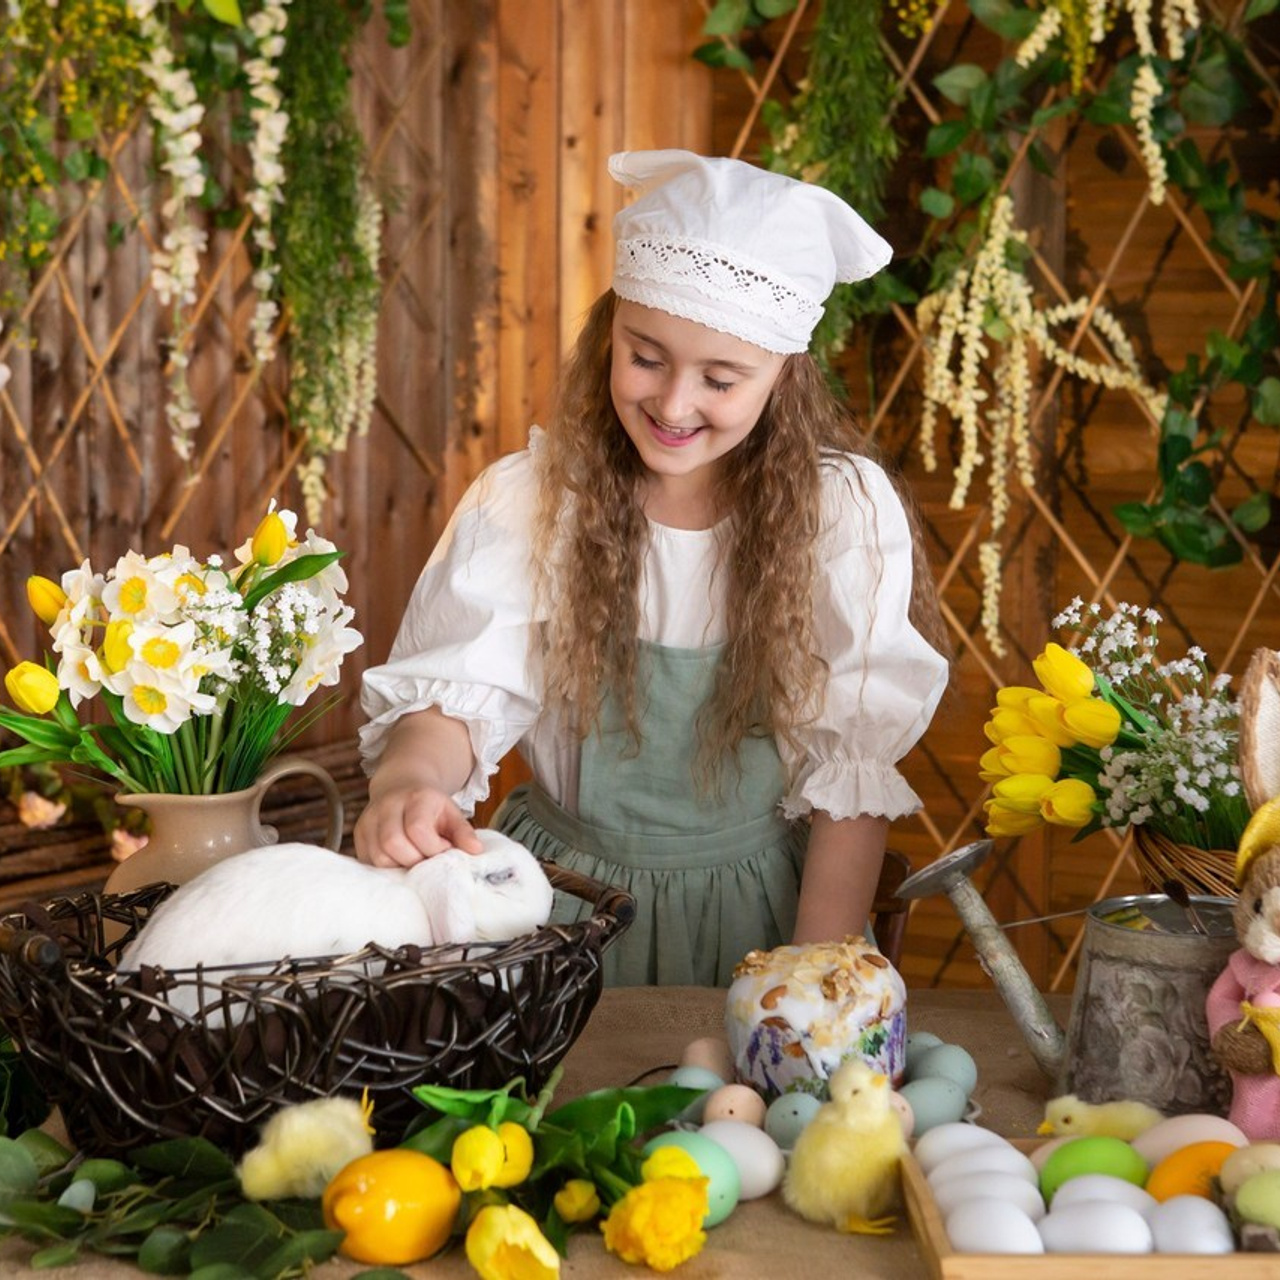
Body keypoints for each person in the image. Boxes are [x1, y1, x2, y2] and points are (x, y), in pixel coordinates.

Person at [355, 149, 950, 986]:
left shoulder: (838, 514)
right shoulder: (534, 499)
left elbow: (848, 784)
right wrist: (410, 781)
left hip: (762, 919)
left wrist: (809, 984)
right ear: (610, 333)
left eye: (720, 378)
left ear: (782, 377)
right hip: (556, 909)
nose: (673, 405)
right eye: (645, 356)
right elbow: (457, 695)